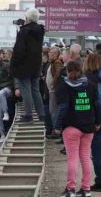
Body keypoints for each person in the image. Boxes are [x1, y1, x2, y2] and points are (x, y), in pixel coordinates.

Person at [54, 61, 101, 197]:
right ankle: (86, 189)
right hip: (89, 127)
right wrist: (98, 121)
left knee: (72, 158)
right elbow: (97, 105)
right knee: (86, 157)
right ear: (81, 69)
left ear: (67, 71)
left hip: (71, 127)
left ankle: (70, 189)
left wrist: (57, 126)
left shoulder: (64, 86)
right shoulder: (90, 85)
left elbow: (63, 108)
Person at [10, 8, 45, 122]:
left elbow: (19, 50)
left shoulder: (24, 32)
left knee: (26, 90)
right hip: (36, 64)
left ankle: (28, 115)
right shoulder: (40, 31)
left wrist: (14, 62)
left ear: (27, 18)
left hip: (24, 65)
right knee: (35, 89)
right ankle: (41, 114)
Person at [82, 54, 101, 192]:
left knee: (97, 151)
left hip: (96, 120)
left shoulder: (88, 80)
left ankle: (100, 181)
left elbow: (94, 102)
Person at [46, 47, 63, 139]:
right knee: (53, 111)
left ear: (55, 54)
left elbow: (58, 74)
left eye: (51, 52)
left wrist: (53, 84)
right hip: (51, 90)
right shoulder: (52, 62)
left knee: (54, 111)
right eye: (49, 52)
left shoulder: (57, 62)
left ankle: (56, 131)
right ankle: (56, 130)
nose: (49, 54)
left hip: (54, 91)